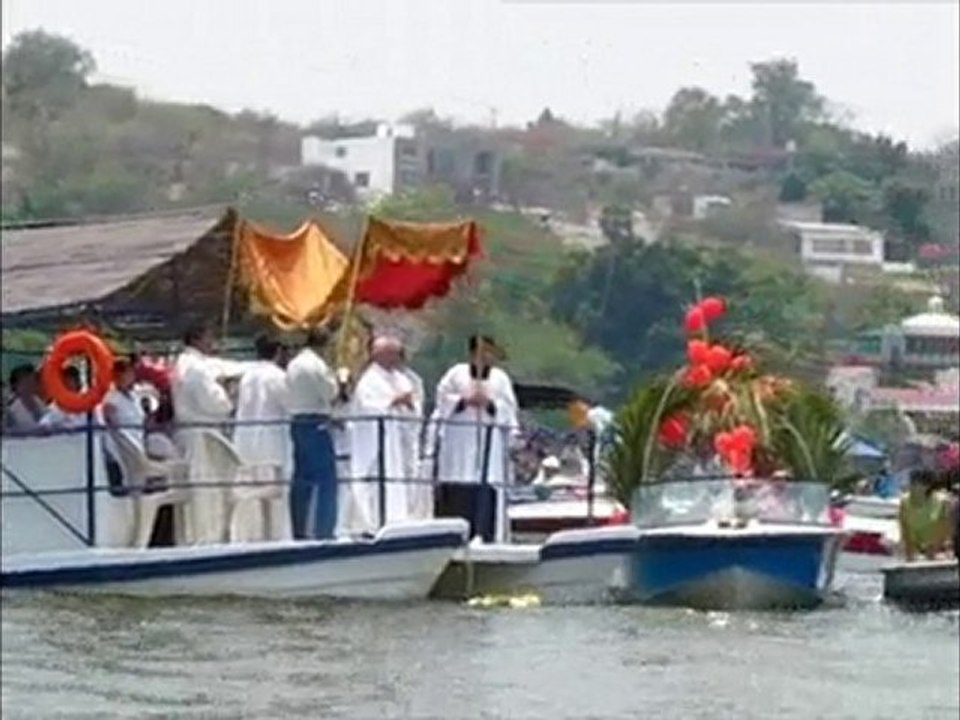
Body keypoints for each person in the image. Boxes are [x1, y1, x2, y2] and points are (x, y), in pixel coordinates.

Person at [433, 334, 519, 542]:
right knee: (458, 484)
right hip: (459, 440)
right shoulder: (455, 374)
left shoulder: (500, 378)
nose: (486, 357)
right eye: (482, 352)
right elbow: (442, 400)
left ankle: (485, 532)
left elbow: (508, 408)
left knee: (486, 483)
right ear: (472, 353)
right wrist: (463, 401)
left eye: (489, 352)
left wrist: (490, 405)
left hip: (489, 440)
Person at [171, 323, 235, 544]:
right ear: (197, 339)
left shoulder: (183, 364)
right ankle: (204, 539)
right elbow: (216, 403)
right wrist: (228, 393)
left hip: (189, 434)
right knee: (205, 491)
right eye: (209, 337)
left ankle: (193, 537)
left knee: (196, 489)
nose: (212, 342)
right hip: (201, 437)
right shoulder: (196, 369)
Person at [347, 336, 415, 531]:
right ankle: (375, 522)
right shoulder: (369, 380)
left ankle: (398, 520)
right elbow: (368, 407)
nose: (397, 358)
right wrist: (393, 401)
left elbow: (413, 405)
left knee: (397, 478)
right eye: (393, 354)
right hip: (377, 442)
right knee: (378, 482)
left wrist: (408, 404)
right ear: (380, 355)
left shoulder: (401, 378)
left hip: (397, 439)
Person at [232, 334, 292, 541]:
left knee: (254, 492)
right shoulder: (277, 376)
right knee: (274, 496)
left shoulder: (248, 376)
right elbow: (289, 403)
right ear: (278, 353)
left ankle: (252, 535)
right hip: (270, 442)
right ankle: (276, 536)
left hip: (247, 441)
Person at [285, 326, 339, 539]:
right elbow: (330, 393)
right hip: (316, 422)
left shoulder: (293, 364)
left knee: (301, 479)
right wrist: (338, 378)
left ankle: (299, 529)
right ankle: (323, 530)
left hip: (297, 422)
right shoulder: (317, 366)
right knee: (326, 480)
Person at [100, 358, 148, 494]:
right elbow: (109, 422)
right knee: (127, 486)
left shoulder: (135, 395)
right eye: (125, 373)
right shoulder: (111, 398)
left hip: (137, 443)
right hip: (120, 449)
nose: (129, 377)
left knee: (139, 485)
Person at [397, 345, 429, 518]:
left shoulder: (413, 380)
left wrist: (407, 403)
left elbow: (417, 408)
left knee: (409, 472)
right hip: (390, 433)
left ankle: (407, 512)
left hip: (408, 433)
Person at [898, 468, 951, 562]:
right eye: (912, 483)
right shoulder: (904, 502)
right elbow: (904, 530)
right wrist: (909, 554)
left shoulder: (941, 501)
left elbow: (946, 530)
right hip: (915, 547)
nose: (912, 487)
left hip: (938, 548)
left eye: (916, 484)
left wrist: (934, 550)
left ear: (927, 486)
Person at [39, 366, 90, 431]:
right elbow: (44, 423)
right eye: (65, 382)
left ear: (78, 382)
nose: (68, 385)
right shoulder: (56, 406)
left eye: (71, 381)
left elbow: (98, 424)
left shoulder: (88, 403)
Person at [5, 364, 46, 433]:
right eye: (27, 381)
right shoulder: (11, 409)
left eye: (33, 380)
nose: (32, 383)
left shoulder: (40, 403)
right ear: (16, 384)